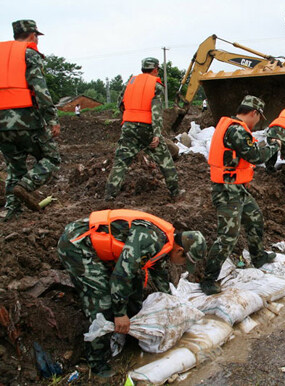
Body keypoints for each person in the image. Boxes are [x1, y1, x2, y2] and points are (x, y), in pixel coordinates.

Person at [57, 209, 207, 377]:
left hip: (98, 248)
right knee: (103, 300)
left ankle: (133, 334)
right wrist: (120, 313)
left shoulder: (165, 243)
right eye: (185, 261)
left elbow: (158, 272)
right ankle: (97, 361)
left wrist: (173, 304)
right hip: (77, 245)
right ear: (179, 250)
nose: (182, 265)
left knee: (135, 287)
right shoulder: (151, 240)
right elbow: (121, 277)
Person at [203, 95, 281, 295]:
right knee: (228, 237)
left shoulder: (233, 127)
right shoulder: (237, 129)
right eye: (258, 118)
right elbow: (255, 156)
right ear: (253, 113)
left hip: (236, 187)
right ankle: (208, 278)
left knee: (255, 217)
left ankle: (258, 256)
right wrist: (274, 146)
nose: (258, 122)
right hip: (227, 190)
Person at [0, 20, 61, 221]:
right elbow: (40, 90)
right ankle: (25, 185)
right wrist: (52, 119)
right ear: (33, 35)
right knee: (51, 157)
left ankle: (11, 213)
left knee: (15, 167)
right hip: (26, 120)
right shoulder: (29, 54)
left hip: (1, 124)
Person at [105, 57, 180, 201]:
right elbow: (157, 112)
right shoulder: (156, 85)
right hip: (147, 129)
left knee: (120, 162)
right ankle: (175, 192)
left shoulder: (131, 82)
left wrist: (130, 116)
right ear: (155, 69)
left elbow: (120, 103)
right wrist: (157, 134)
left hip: (128, 127)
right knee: (165, 161)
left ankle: (109, 195)